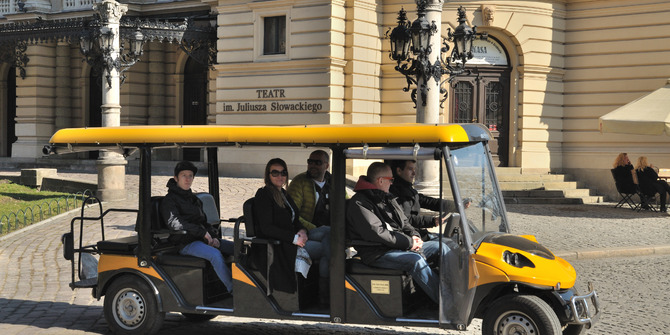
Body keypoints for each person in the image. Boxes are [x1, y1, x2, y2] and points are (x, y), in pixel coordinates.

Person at [346, 162, 452, 304]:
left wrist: (415, 236)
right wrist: (409, 243)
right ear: (381, 180)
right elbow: (377, 232)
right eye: (391, 180)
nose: (392, 183)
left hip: (397, 246)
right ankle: (446, 303)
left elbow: (405, 222)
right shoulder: (359, 202)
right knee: (416, 261)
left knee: (441, 247)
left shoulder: (387, 197)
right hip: (377, 252)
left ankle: (452, 292)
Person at [254, 158, 330, 303]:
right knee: (328, 250)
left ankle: (328, 286)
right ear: (268, 175)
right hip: (282, 244)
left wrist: (302, 230)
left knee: (328, 231)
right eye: (275, 173)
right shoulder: (264, 195)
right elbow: (267, 228)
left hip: (294, 236)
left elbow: (295, 219)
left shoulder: (283, 193)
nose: (280, 176)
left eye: (283, 173)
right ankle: (325, 294)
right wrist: (295, 239)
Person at [160, 161, 234, 293]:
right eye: (184, 175)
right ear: (176, 178)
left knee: (238, 248)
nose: (188, 179)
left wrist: (214, 236)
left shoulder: (194, 199)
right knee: (215, 255)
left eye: (190, 176)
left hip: (200, 239)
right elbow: (175, 224)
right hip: (185, 242)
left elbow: (204, 222)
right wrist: (202, 233)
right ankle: (233, 289)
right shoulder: (170, 200)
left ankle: (248, 285)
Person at [388, 160, 469, 241]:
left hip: (418, 234)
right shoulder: (396, 193)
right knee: (447, 246)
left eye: (414, 170)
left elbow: (429, 202)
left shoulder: (407, 189)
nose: (414, 173)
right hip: (412, 238)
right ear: (399, 171)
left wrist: (455, 205)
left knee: (456, 240)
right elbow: (407, 219)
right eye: (410, 169)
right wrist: (433, 221)